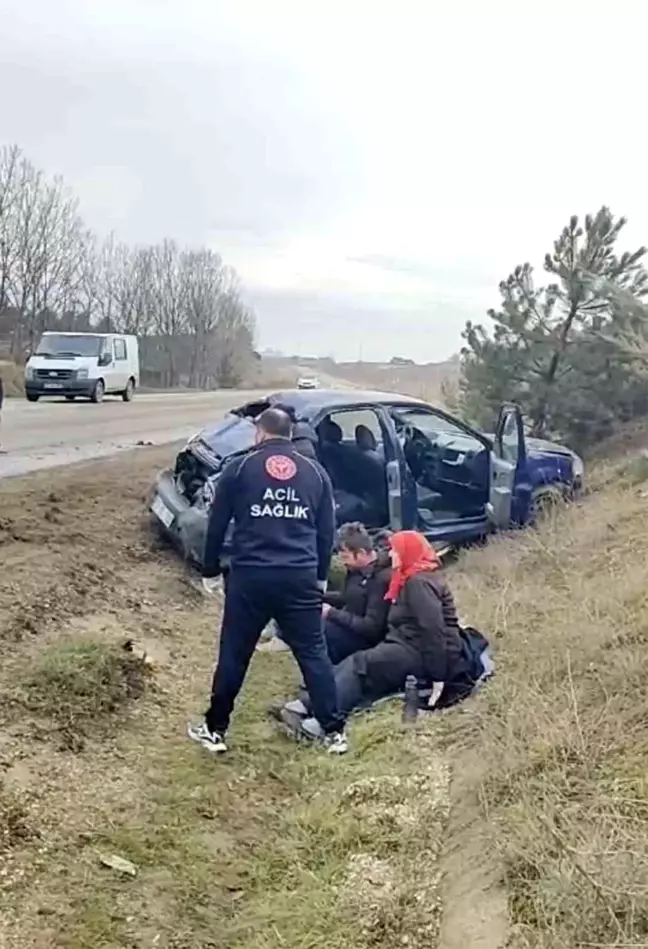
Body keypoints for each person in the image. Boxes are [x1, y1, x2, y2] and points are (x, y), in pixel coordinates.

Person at [188, 406, 348, 755]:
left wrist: (210, 569)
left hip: (251, 577)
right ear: (291, 434)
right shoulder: (315, 473)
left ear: (259, 433)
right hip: (300, 576)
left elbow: (216, 525)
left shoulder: (240, 468)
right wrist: (320, 577)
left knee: (234, 653)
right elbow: (325, 533)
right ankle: (334, 732)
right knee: (313, 653)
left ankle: (215, 729)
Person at [280, 530, 491, 739]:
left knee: (359, 665)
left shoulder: (419, 584)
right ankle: (307, 704)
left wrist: (438, 676)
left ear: (408, 553)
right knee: (350, 663)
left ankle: (323, 725)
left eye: (396, 551)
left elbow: (433, 631)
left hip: (416, 652)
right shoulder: (411, 578)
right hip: (405, 644)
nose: (391, 555)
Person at [321, 522, 392, 665]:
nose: (342, 562)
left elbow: (371, 628)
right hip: (349, 626)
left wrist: (331, 613)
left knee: (317, 629)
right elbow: (347, 598)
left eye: (345, 557)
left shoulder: (381, 578)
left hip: (366, 640)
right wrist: (318, 597)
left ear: (361, 553)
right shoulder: (356, 571)